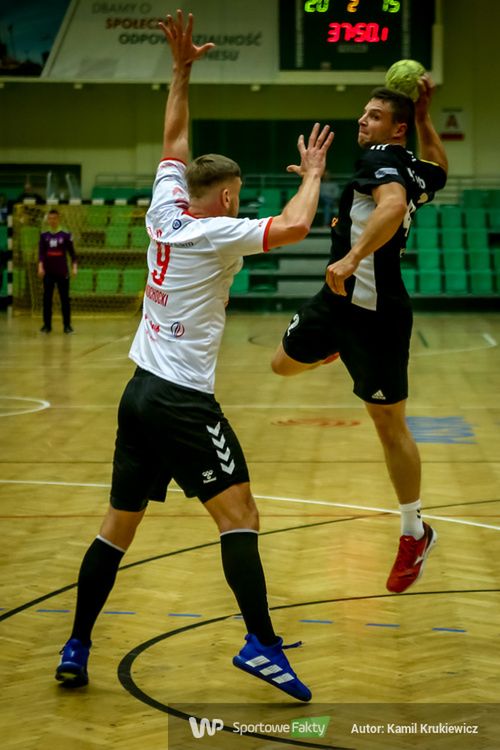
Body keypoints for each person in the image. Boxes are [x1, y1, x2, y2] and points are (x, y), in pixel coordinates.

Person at [54, 10, 333, 702]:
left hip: (138, 393)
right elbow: (298, 223)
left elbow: (173, 141)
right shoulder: (217, 231)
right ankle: (261, 644)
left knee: (117, 529)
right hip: (181, 400)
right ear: (228, 196)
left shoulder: (164, 207)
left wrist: (180, 71)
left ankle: (76, 643)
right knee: (241, 517)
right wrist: (313, 172)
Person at [272, 78, 448, 594]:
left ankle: (414, 531)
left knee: (389, 425)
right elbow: (439, 167)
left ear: (394, 130)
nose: (362, 120)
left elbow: (391, 206)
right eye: (363, 113)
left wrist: (352, 257)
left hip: (377, 313)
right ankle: (332, 347)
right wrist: (425, 117)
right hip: (337, 301)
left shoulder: (381, 158)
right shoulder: (411, 164)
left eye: (373, 115)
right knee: (282, 364)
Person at [38, 208, 77, 333]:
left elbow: (72, 253)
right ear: (48, 220)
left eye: (54, 218)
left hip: (62, 272)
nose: (52, 221)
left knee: (65, 300)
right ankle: (47, 325)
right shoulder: (44, 235)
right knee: (47, 299)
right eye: (50, 218)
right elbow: (41, 253)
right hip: (48, 272)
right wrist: (40, 266)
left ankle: (67, 326)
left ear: (58, 219)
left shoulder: (65, 235)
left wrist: (74, 266)